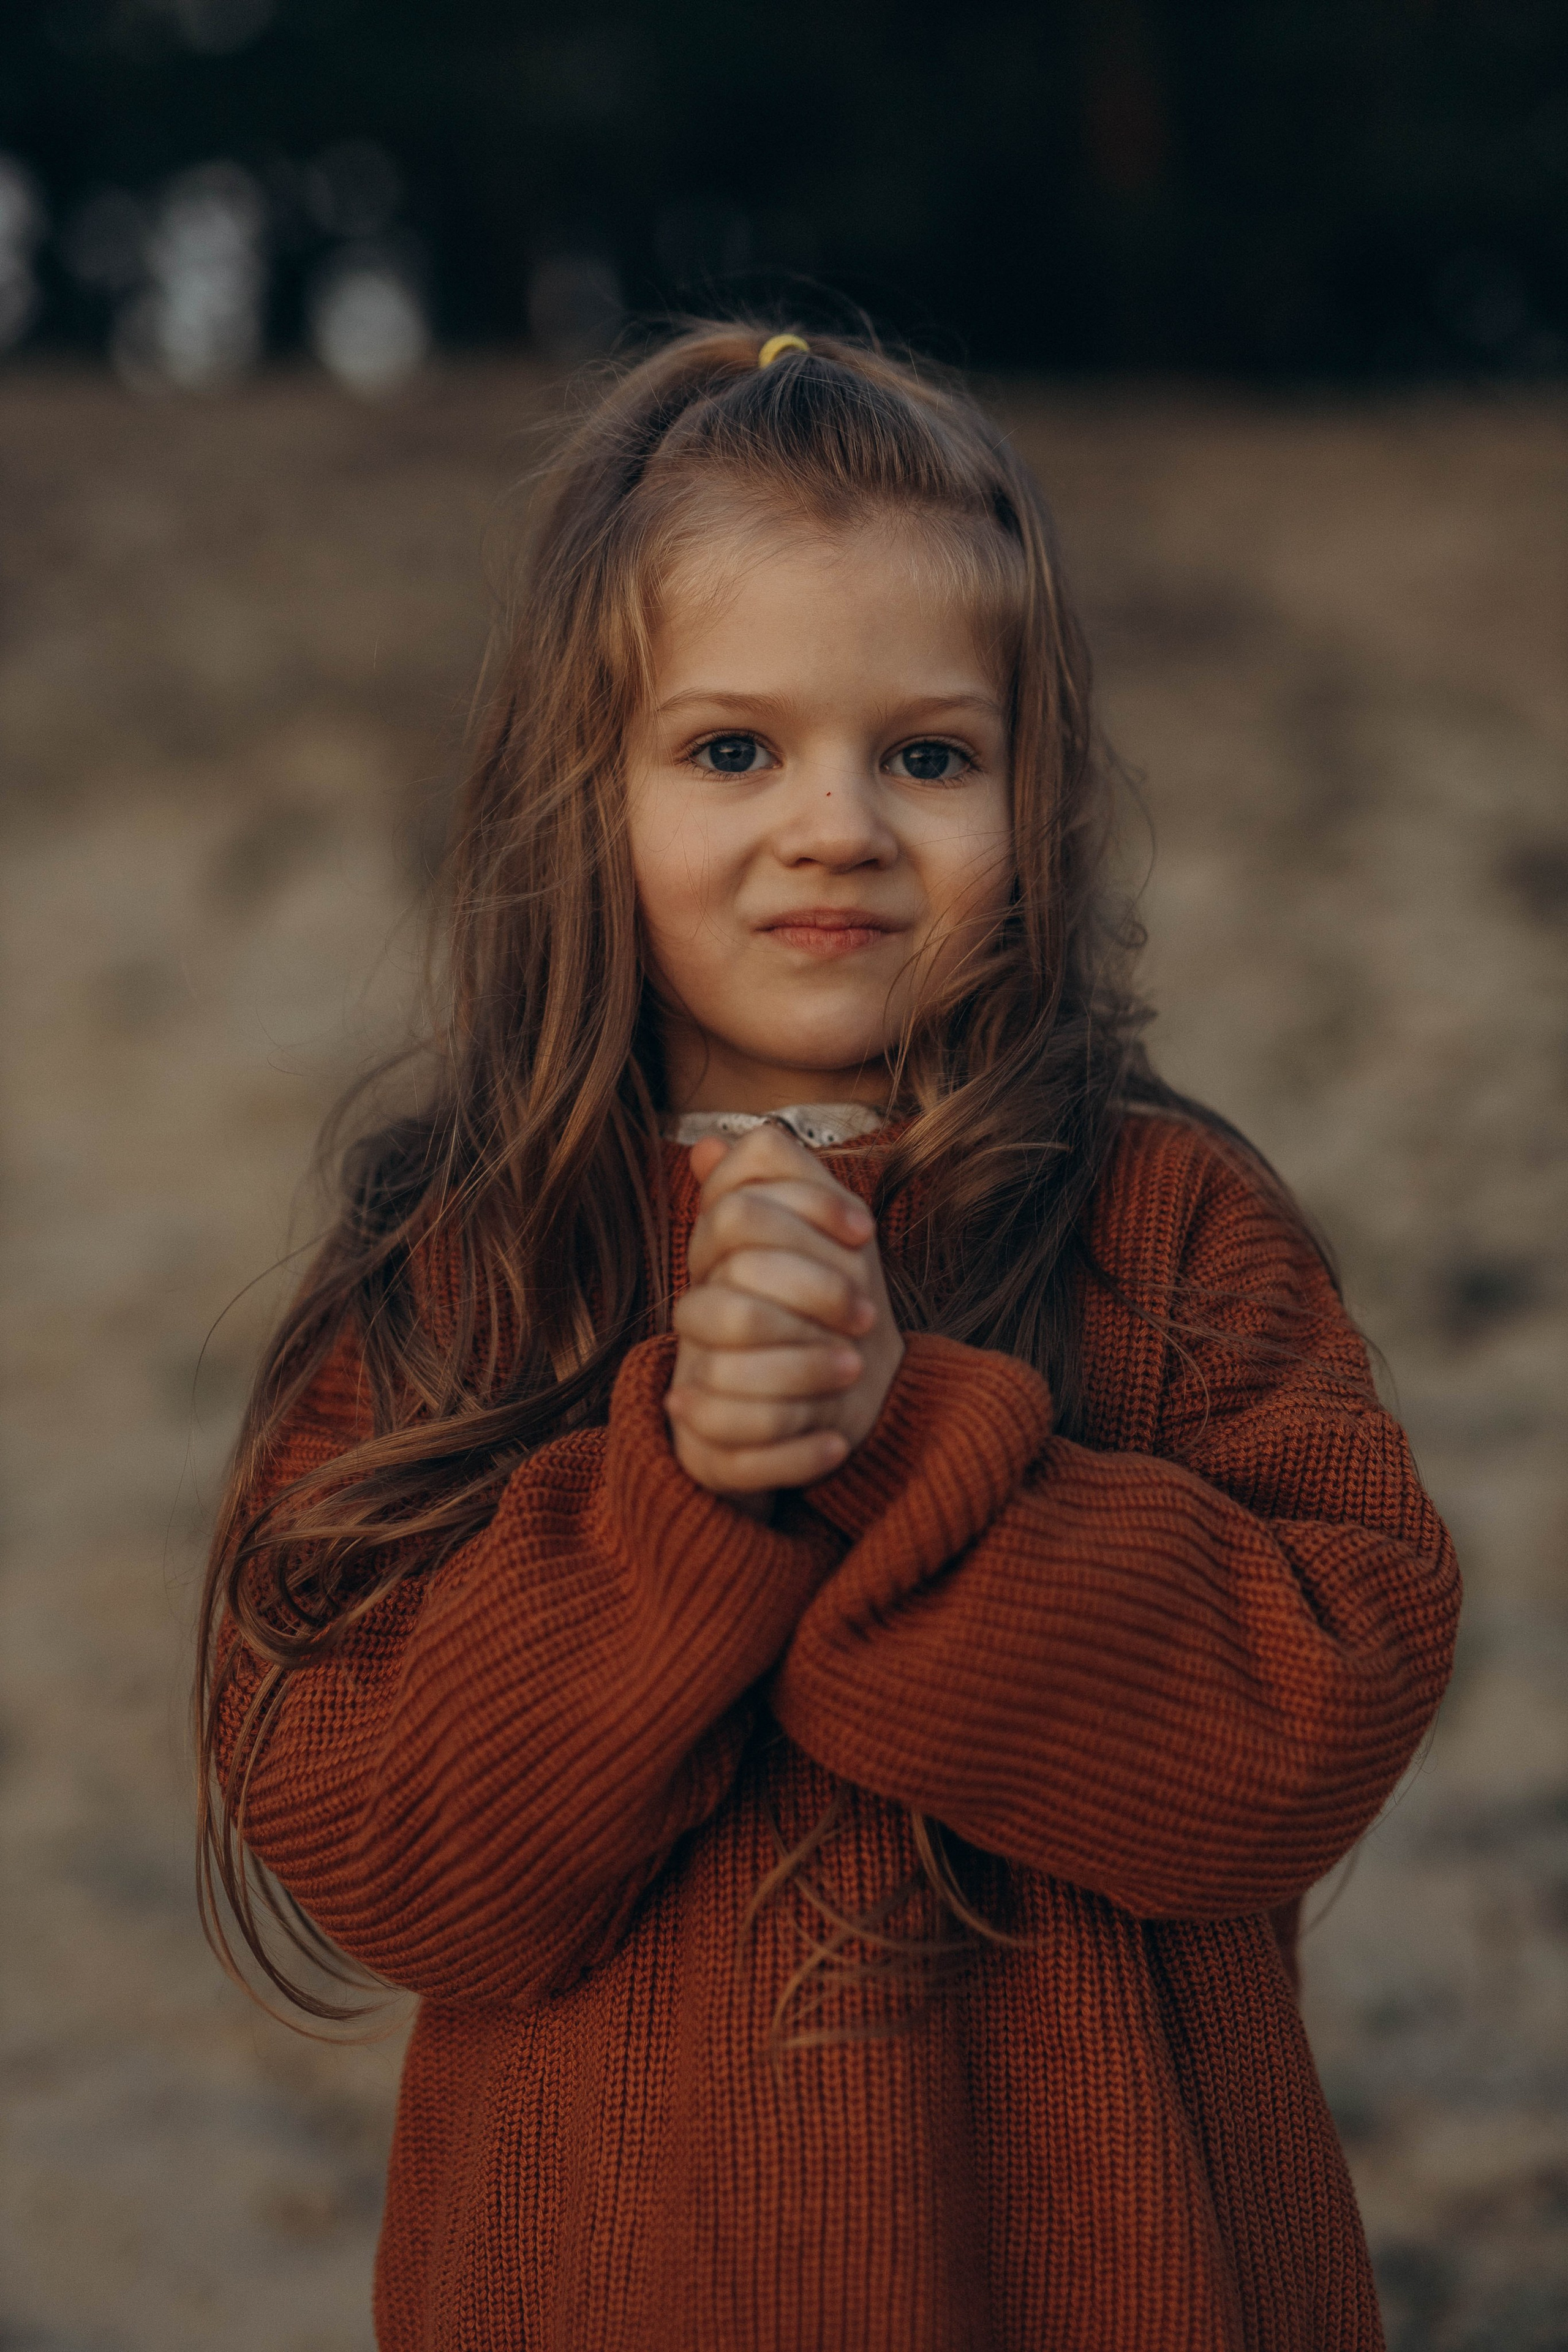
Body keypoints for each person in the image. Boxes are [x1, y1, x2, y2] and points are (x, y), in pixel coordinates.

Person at [197, 323, 1460, 2351]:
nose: (838, 827)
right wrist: (673, 1497)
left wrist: (907, 1435)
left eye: (930, 755)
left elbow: (1316, 1721)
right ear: (579, 796)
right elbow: (399, 1865)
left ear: (1035, 796)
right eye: (731, 750)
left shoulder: (1169, 1222)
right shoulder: (472, 1259)